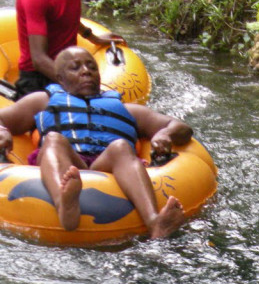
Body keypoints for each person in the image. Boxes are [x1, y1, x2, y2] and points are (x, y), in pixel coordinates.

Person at [0, 47, 187, 239]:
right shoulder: (42, 101)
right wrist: (2, 131)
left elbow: (180, 127)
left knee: (121, 146)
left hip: (106, 164)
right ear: (60, 79)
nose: (86, 71)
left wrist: (165, 134)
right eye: (75, 68)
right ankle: (64, 204)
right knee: (54, 139)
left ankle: (154, 221)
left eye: (91, 67)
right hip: (68, 161)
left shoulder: (127, 109)